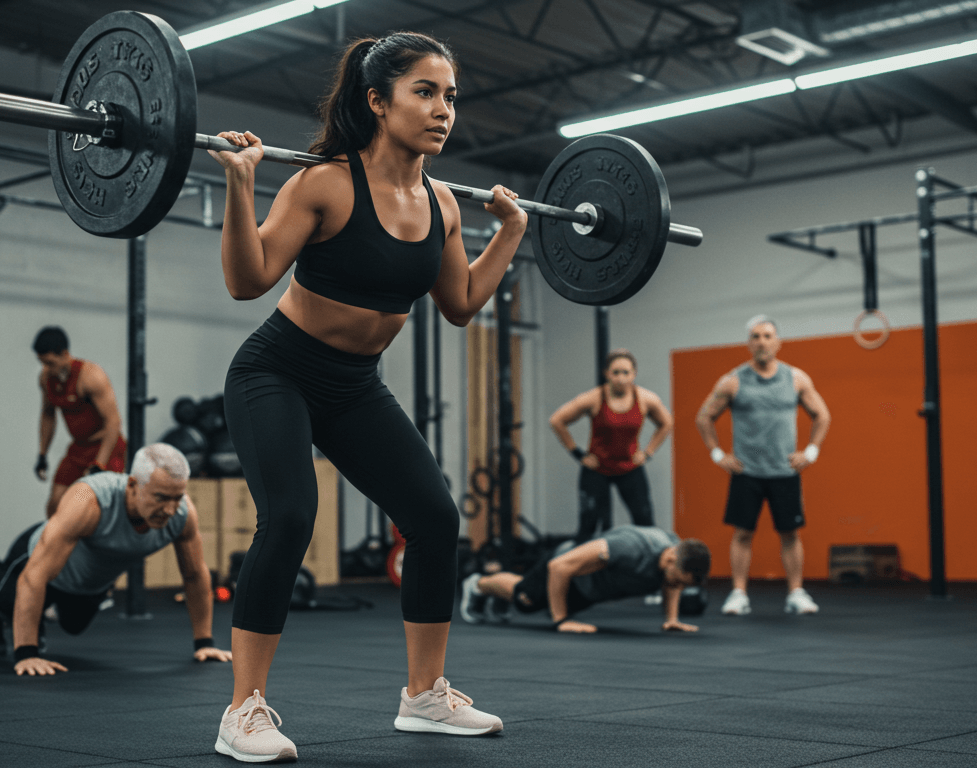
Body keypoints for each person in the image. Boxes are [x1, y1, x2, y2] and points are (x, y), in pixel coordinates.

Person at [208, 32, 526, 763]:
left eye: (450, 95)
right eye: (425, 92)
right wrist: (238, 184)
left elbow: (462, 300)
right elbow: (246, 280)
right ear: (378, 102)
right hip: (276, 372)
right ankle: (242, 711)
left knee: (436, 518)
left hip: (354, 387)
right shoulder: (324, 183)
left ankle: (424, 696)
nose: (444, 109)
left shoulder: (443, 203)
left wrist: (509, 233)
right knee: (289, 517)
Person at [0, 443, 231, 672]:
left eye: (178, 497)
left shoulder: (182, 514)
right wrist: (27, 653)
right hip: (34, 561)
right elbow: (35, 575)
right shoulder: (88, 500)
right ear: (133, 485)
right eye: (161, 497)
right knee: (1, 604)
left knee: (74, 625)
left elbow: (195, 575)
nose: (171, 509)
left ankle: (34, 614)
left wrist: (204, 643)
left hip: (89, 582)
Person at [695, 315, 831, 616]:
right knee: (742, 533)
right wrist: (718, 454)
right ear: (749, 344)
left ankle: (796, 592)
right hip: (747, 472)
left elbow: (822, 415)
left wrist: (810, 451)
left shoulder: (796, 379)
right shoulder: (733, 381)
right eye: (756, 336)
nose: (762, 342)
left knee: (790, 534)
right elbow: (704, 416)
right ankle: (738, 594)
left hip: (784, 472)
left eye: (767, 336)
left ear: (778, 342)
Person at [461, 526, 709, 634]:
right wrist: (562, 621)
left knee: (524, 597)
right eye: (679, 581)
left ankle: (499, 595)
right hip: (567, 568)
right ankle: (478, 585)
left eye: (681, 585)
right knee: (526, 600)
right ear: (670, 559)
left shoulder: (675, 555)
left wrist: (671, 619)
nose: (676, 587)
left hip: (589, 590)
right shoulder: (631, 547)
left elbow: (671, 582)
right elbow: (559, 567)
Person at [549, 349, 674, 542]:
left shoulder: (646, 399)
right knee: (588, 526)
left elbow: (666, 423)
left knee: (646, 523)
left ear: (634, 374)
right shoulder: (593, 398)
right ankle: (582, 570)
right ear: (607, 374)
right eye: (616, 372)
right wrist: (578, 454)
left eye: (626, 373)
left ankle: (648, 571)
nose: (621, 378)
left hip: (630, 468)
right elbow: (557, 420)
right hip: (597, 469)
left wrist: (648, 453)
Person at [33, 326, 127, 519]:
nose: (46, 369)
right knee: (55, 505)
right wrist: (42, 454)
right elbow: (48, 414)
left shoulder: (91, 376)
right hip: (78, 448)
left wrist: (100, 464)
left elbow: (114, 422)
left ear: (65, 354)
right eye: (42, 363)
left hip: (106, 446)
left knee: (101, 507)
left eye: (50, 363)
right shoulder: (45, 379)